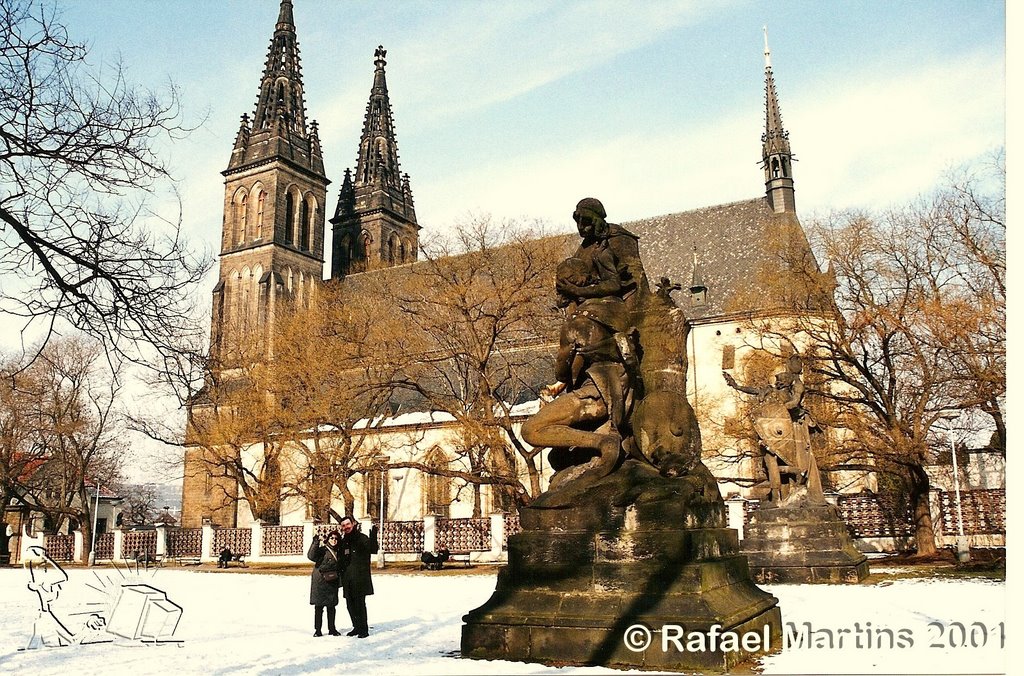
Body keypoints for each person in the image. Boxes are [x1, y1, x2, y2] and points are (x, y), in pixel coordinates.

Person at [521, 197, 649, 490]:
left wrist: (561, 380)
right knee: (559, 458)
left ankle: (603, 443)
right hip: (620, 384)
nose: (581, 228)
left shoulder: (578, 322)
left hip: (596, 393)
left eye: (585, 221)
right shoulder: (614, 310)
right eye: (577, 221)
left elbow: (563, 372)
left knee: (533, 430)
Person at [338, 515, 378, 638]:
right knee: (350, 604)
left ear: (353, 524)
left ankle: (363, 629)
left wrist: (374, 536)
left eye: (348, 524)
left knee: (359, 604)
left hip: (360, 578)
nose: (346, 527)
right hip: (348, 579)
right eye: (343, 525)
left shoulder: (362, 538)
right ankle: (356, 627)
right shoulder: (343, 541)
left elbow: (373, 549)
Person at [307, 530, 343, 637]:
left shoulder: (339, 551)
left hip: (332, 581)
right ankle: (318, 630)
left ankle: (332, 629)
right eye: (332, 538)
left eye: (336, 538)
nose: (334, 540)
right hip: (320, 582)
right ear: (328, 539)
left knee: (331, 606)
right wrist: (315, 542)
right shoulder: (322, 550)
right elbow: (311, 556)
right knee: (319, 607)